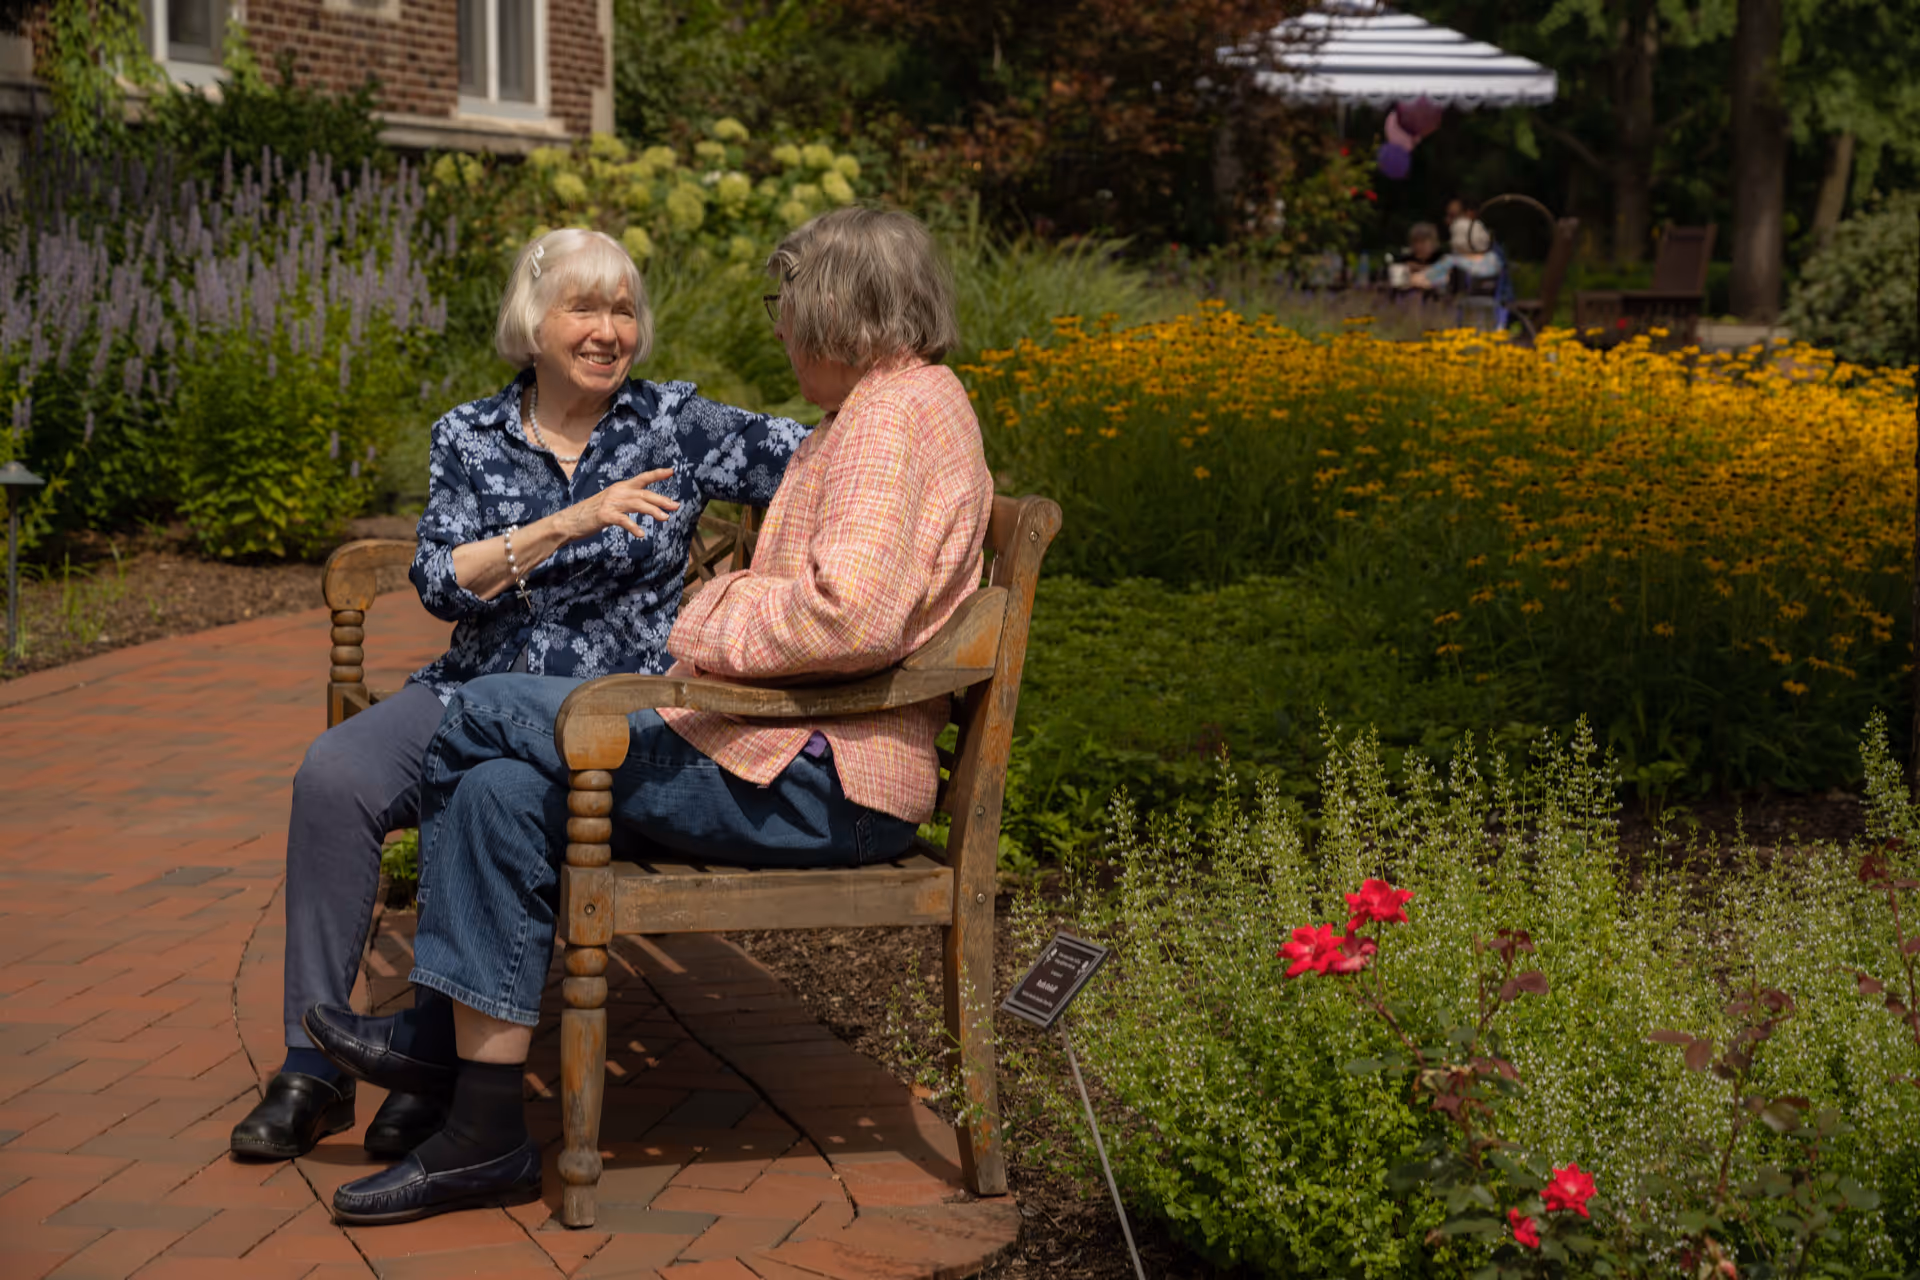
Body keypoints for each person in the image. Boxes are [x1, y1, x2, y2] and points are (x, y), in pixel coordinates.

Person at [303, 206, 994, 1225]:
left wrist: (702, 611)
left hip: (819, 778)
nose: (781, 330)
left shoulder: (893, 420)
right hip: (779, 748)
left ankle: (434, 1044)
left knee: (484, 710)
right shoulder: (883, 409)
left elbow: (846, 610)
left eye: (790, 307)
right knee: (496, 784)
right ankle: (481, 1132)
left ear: (842, 313)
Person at [226, 228, 810, 1163]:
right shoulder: (469, 433)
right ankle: (313, 1068)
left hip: (603, 716)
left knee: (488, 792)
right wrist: (566, 521)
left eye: (624, 309)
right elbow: (440, 582)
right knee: (334, 775)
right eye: (584, 307)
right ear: (532, 324)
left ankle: (434, 1069)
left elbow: (821, 457)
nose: (608, 330)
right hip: (470, 687)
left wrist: (909, 415)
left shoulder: (676, 424)